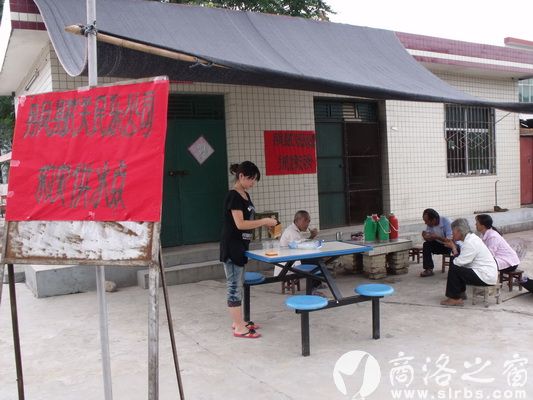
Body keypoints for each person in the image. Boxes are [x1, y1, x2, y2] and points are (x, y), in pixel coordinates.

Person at [219, 161, 277, 339]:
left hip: (241, 246)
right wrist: (264, 221)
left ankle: (239, 321)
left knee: (239, 284)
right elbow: (240, 224)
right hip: (232, 246)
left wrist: (265, 224)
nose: (253, 183)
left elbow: (248, 221)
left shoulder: (245, 195)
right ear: (241, 176)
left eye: (254, 180)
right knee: (234, 286)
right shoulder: (233, 196)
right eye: (251, 179)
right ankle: (238, 327)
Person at [440, 218, 498, 306]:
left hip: (485, 276)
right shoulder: (470, 238)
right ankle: (460, 294)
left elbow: (458, 263)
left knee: (454, 268)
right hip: (484, 273)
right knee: (456, 264)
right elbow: (462, 259)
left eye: (453, 231)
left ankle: (455, 298)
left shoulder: (470, 242)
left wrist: (453, 248)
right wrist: (454, 249)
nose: (452, 234)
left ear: (459, 231)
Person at [420, 208, 452, 277]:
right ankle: (428, 269)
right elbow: (428, 236)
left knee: (451, 246)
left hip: (450, 246)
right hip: (439, 244)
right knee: (426, 245)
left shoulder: (447, 222)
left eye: (427, 221)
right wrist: (425, 236)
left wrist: (437, 237)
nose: (425, 223)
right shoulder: (430, 224)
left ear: (434, 219)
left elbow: (450, 241)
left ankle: (453, 270)